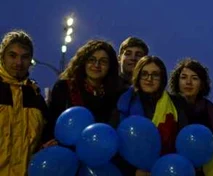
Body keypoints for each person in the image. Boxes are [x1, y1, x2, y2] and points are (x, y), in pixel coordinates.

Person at [43, 40, 122, 146]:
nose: (96, 65)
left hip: (101, 152)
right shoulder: (65, 87)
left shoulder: (114, 94)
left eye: (103, 61)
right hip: (67, 152)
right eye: (91, 60)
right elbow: (51, 121)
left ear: (110, 66)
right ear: (83, 62)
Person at [117, 56, 189, 156]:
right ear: (138, 76)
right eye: (144, 74)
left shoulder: (177, 102)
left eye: (155, 75)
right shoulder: (125, 101)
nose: (149, 79)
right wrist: (133, 171)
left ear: (162, 78)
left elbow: (183, 139)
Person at [0, 30, 48, 176]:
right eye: (12, 55)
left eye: (25, 57)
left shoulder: (36, 98)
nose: (19, 63)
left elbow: (45, 140)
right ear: (2, 56)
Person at [169, 58, 213, 132]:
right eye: (184, 77)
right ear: (177, 81)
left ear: (201, 84)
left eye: (194, 78)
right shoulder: (169, 104)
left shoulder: (209, 109)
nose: (188, 82)